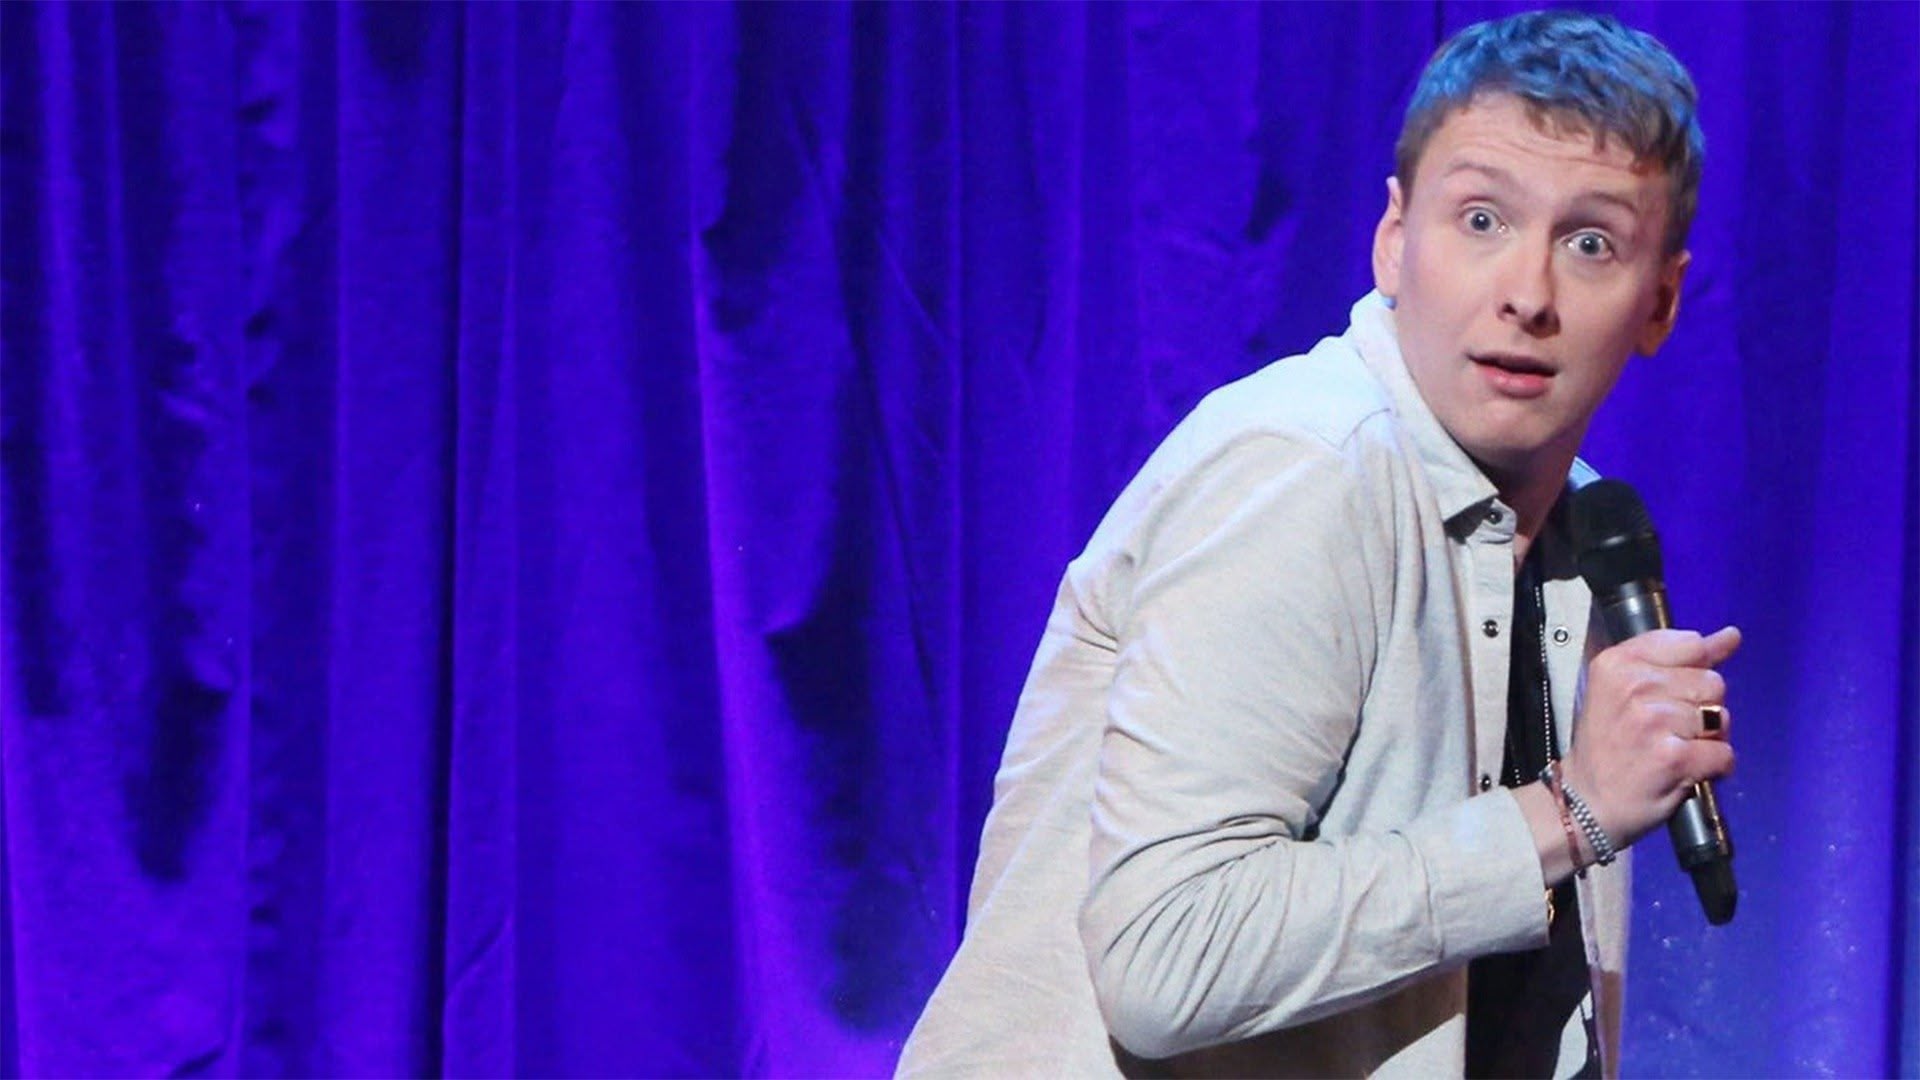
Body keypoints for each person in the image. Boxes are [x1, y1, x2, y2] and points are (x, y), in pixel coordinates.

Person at [897, 10, 1738, 1078]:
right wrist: (1569, 812)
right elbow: (1166, 958)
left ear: (1661, 299)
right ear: (1393, 240)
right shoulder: (1308, 469)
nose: (1527, 294)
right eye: (1481, 219)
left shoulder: (1579, 532)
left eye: (1590, 244)